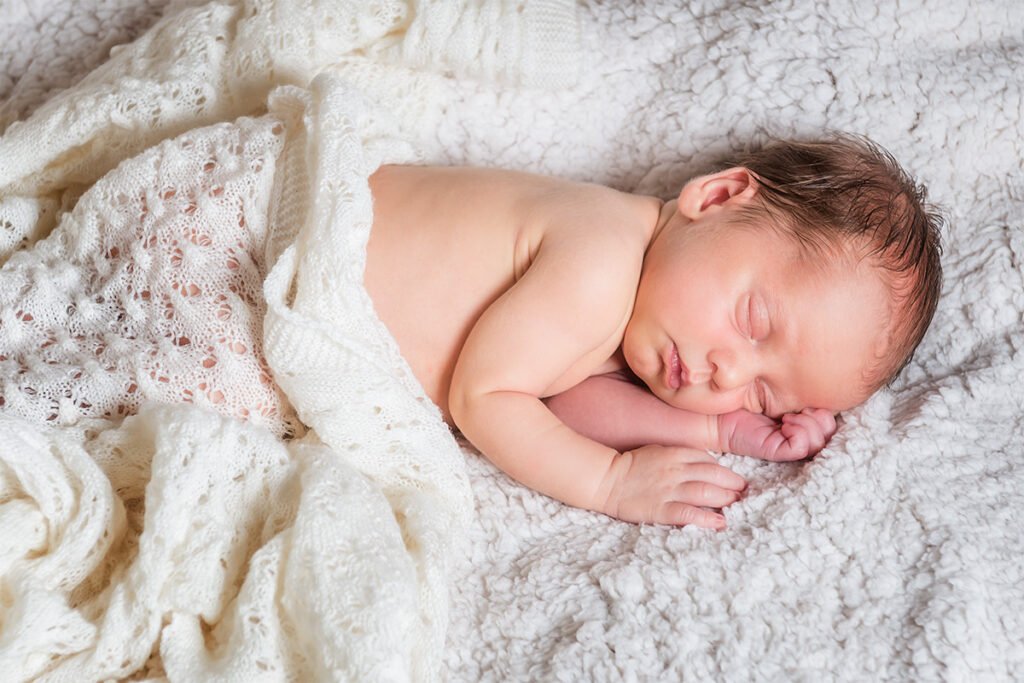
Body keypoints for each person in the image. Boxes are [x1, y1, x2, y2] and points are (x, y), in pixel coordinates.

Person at [363, 134, 943, 529]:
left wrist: (725, 428)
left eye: (763, 394)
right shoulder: (599, 259)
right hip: (295, 258)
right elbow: (485, 398)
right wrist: (611, 484)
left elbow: (559, 402)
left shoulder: (631, 317)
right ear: (715, 197)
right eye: (753, 321)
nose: (730, 372)